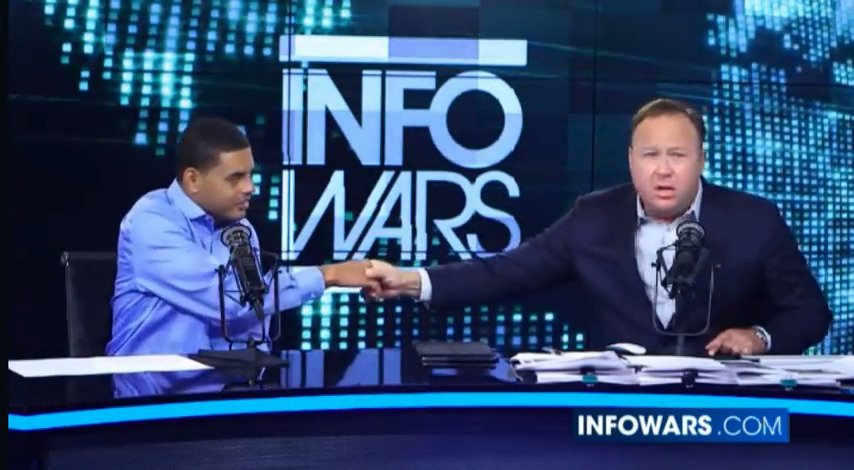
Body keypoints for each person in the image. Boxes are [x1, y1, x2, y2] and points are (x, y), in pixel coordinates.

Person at [365, 98, 832, 356]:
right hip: (616, 412)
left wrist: (759, 337)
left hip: (730, 412)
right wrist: (410, 281)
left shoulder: (754, 219)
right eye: (650, 155)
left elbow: (810, 313)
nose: (663, 170)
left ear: (701, 160)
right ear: (631, 161)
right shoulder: (594, 216)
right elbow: (506, 271)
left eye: (677, 155)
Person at [108, 117, 378, 355]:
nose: (250, 187)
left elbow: (253, 318)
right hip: (155, 391)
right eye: (235, 178)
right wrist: (328, 275)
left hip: (228, 386)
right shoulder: (151, 220)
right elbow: (229, 303)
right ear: (192, 180)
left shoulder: (239, 228)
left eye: (250, 175)